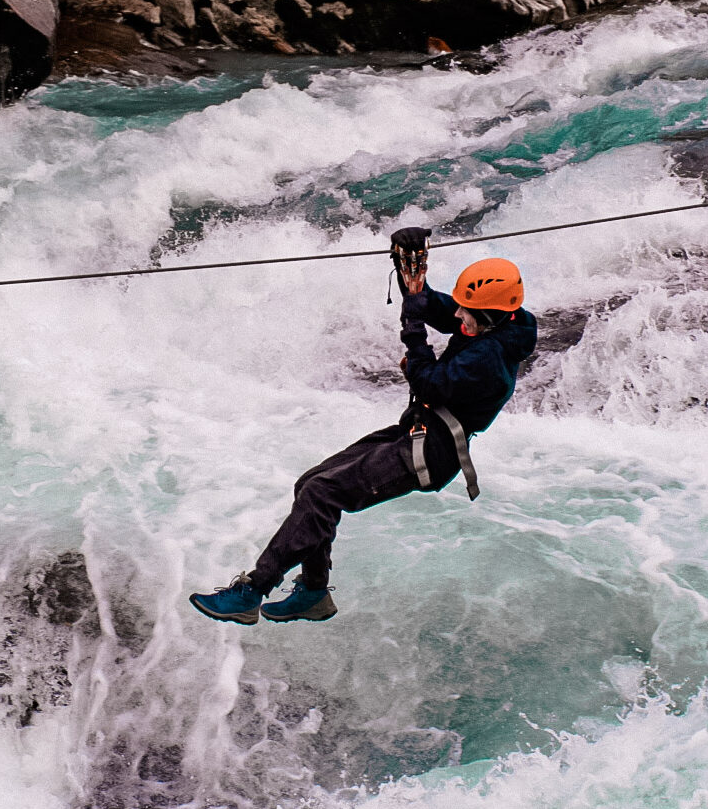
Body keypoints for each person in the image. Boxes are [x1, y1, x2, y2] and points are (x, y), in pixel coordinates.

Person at [189, 226, 538, 625]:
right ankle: (313, 592)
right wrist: (409, 273)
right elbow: (442, 311)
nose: (458, 315)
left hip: (432, 451)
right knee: (311, 484)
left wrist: (413, 333)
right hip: (420, 430)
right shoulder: (503, 322)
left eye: (467, 311)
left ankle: (253, 590)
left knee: (323, 492)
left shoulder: (489, 360)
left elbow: (426, 380)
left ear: (490, 317)